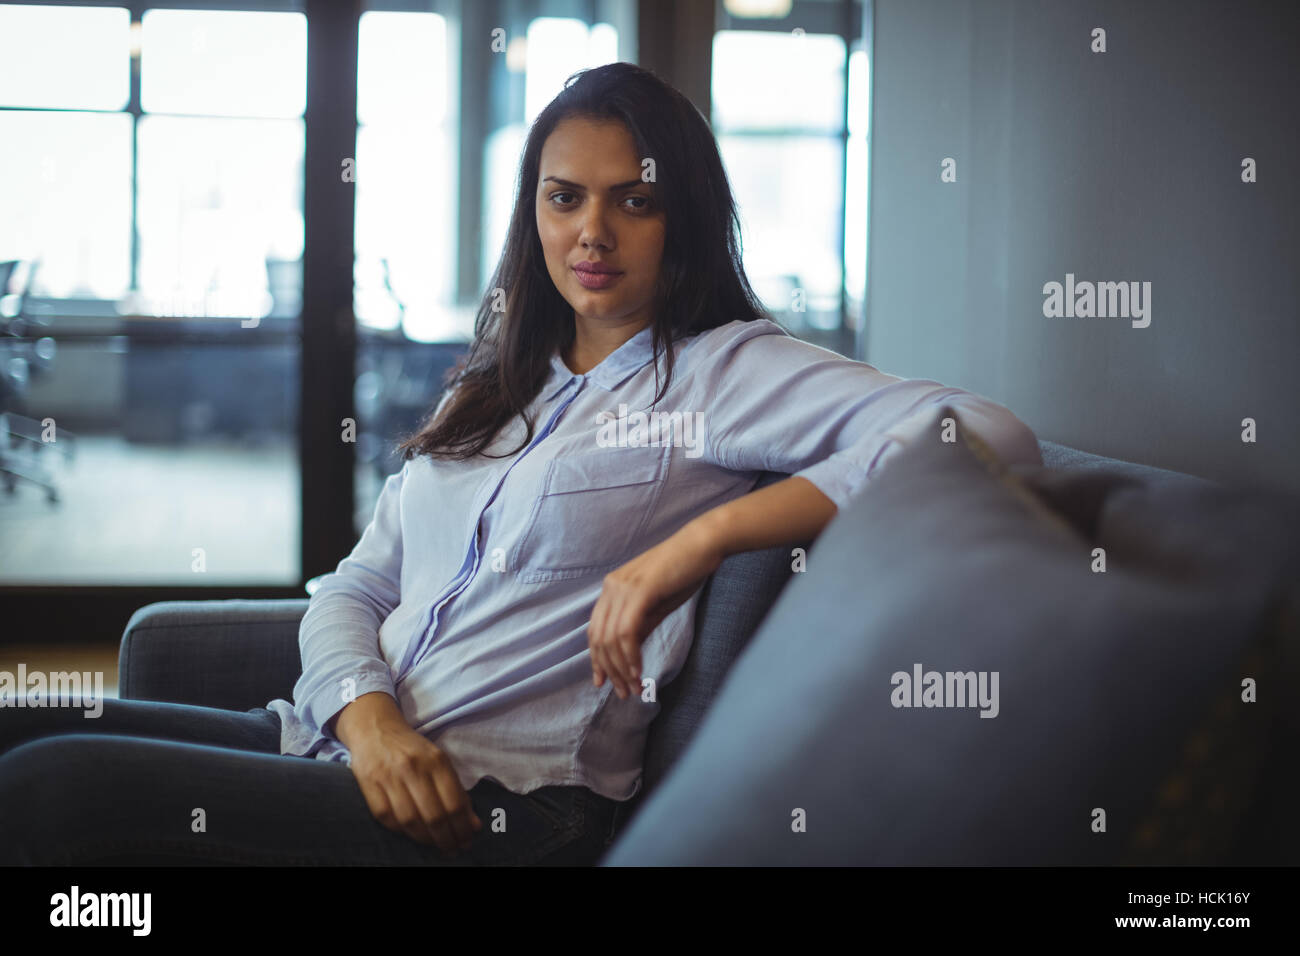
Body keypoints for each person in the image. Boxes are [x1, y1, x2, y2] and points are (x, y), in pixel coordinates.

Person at [0, 62, 1041, 866]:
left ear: (683, 212)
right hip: (353, 748)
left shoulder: (724, 372)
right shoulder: (498, 379)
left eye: (632, 199)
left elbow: (987, 431)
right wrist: (367, 718)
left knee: (52, 788)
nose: (592, 231)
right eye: (562, 197)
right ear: (532, 211)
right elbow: (354, 585)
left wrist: (705, 535)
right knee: (21, 724)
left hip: (503, 803)